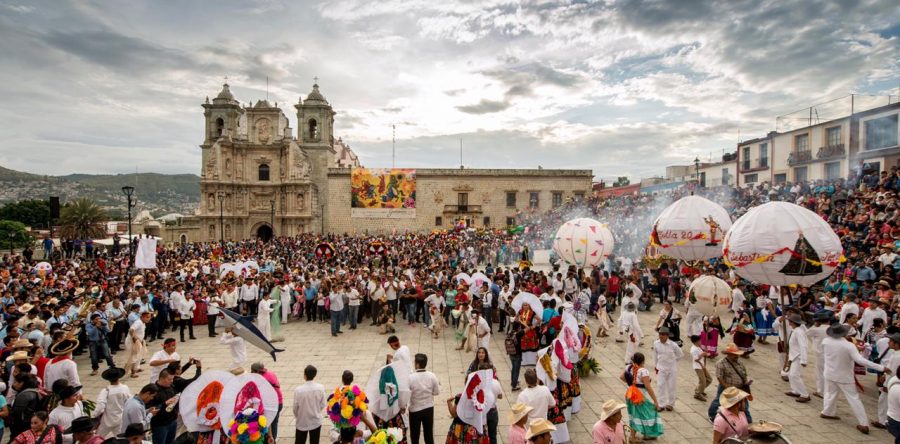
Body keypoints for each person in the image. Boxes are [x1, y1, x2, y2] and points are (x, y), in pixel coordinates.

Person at [820, 323, 889, 434]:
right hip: (845, 376)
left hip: (830, 373)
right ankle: (863, 423)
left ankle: (827, 411)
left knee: (830, 393)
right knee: (853, 398)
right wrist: (881, 367)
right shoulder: (848, 345)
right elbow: (860, 361)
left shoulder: (826, 341)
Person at [621, 352, 662, 442]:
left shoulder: (628, 367)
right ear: (643, 361)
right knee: (647, 413)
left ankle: (639, 435)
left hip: (630, 394)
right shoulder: (643, 371)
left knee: (633, 415)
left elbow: (622, 377)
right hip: (640, 396)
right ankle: (636, 437)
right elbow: (648, 387)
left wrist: (631, 383)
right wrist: (655, 401)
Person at [707, 343, 752, 423]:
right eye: (734, 354)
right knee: (719, 402)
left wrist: (746, 384)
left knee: (744, 405)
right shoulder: (721, 363)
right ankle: (712, 415)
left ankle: (748, 422)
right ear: (728, 354)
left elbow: (744, 374)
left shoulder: (740, 363)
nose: (736, 356)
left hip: (740, 387)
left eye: (737, 354)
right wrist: (727, 387)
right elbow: (719, 377)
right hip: (726, 387)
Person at [409, 354, 440, 444]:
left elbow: (407, 394)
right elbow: (436, 392)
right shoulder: (432, 376)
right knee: (429, 434)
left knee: (415, 435)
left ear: (417, 364)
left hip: (415, 409)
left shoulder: (411, 377)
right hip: (428, 408)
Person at [92, 367, 131, 438]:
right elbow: (128, 402)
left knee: (97, 438)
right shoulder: (125, 388)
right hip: (120, 419)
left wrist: (94, 415)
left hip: (107, 420)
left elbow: (100, 406)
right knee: (121, 438)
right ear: (119, 377)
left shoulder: (106, 391)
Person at [292, 365, 325, 444]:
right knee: (315, 441)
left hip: (302, 420)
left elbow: (295, 408)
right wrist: (316, 411)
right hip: (316, 420)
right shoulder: (320, 388)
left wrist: (298, 416)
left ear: (305, 375)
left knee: (300, 441)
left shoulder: (298, 390)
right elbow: (322, 404)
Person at [652, 326, 683, 411]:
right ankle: (661, 404)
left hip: (671, 369)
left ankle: (670, 404)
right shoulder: (656, 344)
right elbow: (654, 356)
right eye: (660, 334)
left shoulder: (673, 345)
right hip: (660, 368)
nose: (661, 336)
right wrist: (655, 366)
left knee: (671, 386)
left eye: (663, 334)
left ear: (667, 336)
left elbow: (680, 355)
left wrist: (673, 361)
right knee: (660, 385)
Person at [251, 362, 283, 439]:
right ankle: (273, 439)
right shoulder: (271, 373)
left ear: (257, 371)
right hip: (279, 401)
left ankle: (271, 439)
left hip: (271, 404)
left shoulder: (262, 379)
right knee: (274, 422)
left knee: (268, 423)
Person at [785, 313, 810, 402]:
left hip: (798, 356)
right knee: (791, 374)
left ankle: (805, 394)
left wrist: (804, 359)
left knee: (794, 375)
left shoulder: (799, 332)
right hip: (793, 355)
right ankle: (795, 390)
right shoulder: (795, 330)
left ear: (792, 322)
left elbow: (803, 346)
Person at [149, 370, 178, 444]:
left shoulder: (171, 386)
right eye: (169, 379)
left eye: (172, 379)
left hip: (172, 421)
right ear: (161, 379)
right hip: (161, 425)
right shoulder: (153, 391)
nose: (172, 381)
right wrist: (164, 404)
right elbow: (150, 408)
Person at [690, 334, 711, 401]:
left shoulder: (698, 347)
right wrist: (702, 354)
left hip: (702, 365)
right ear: (696, 341)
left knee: (709, 379)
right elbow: (696, 359)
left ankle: (699, 389)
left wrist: (706, 353)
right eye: (700, 341)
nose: (701, 342)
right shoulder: (693, 350)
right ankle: (698, 394)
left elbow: (702, 354)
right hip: (698, 367)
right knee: (703, 381)